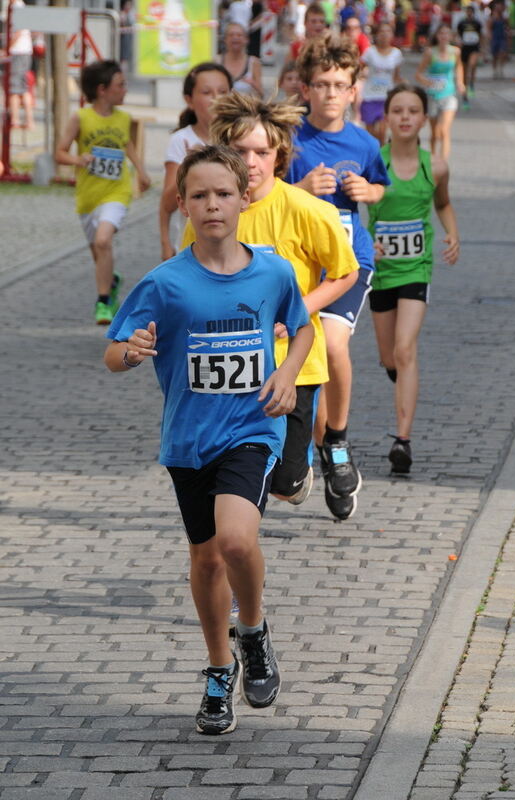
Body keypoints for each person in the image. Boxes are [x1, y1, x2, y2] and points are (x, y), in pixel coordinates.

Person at [104, 144, 314, 735]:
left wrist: (288, 374)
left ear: (244, 198)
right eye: (199, 195)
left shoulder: (271, 271)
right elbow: (114, 353)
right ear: (183, 204)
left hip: (251, 429)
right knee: (204, 557)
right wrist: (131, 351)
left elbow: (300, 327)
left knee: (236, 542)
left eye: (224, 193)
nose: (212, 204)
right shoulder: (165, 283)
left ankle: (253, 630)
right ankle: (219, 672)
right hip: (189, 441)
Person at [181, 92, 359, 508]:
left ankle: (299, 475)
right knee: (234, 467)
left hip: (294, 364)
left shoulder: (307, 210)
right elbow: (191, 274)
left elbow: (345, 272)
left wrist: (298, 310)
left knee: (284, 482)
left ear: (279, 154)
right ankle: (235, 540)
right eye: (241, 150)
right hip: (231, 363)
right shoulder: (212, 210)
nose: (252, 161)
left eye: (262, 151)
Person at [286, 32, 389, 520]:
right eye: (322, 84)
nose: (330, 93)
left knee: (331, 346)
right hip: (303, 267)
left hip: (350, 262)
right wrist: (301, 187)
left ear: (353, 91)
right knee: (308, 364)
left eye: (340, 84)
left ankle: (339, 440)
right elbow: (269, 192)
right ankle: (322, 448)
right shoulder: (291, 140)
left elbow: (381, 185)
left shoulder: (365, 141)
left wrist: (369, 192)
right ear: (306, 89)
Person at [367, 83, 459, 473]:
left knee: (405, 349)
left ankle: (402, 440)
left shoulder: (434, 165)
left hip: (416, 268)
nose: (405, 117)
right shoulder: (373, 162)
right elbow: (351, 211)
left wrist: (452, 233)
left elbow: (443, 202)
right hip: (381, 271)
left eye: (413, 111)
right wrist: (362, 244)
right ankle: (401, 374)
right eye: (398, 110)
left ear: (424, 118)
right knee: (390, 357)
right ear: (387, 117)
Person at [55, 60, 150, 325]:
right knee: (99, 251)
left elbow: (127, 145)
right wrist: (78, 160)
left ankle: (103, 301)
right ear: (102, 90)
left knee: (103, 240)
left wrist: (141, 171)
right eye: (120, 85)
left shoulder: (123, 118)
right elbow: (59, 153)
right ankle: (112, 281)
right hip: (88, 196)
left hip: (117, 192)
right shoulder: (81, 118)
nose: (125, 90)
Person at [159, 62, 232, 261]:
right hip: (192, 250)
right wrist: (189, 167)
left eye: (223, 91)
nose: (216, 98)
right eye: (207, 92)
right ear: (189, 100)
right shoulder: (181, 141)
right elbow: (167, 204)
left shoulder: (242, 140)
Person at [415, 23, 464, 159]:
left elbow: (459, 67)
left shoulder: (455, 51)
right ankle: (433, 157)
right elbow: (418, 74)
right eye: (441, 33)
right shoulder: (430, 52)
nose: (444, 36)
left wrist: (460, 82)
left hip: (449, 94)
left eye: (447, 33)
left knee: (444, 130)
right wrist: (428, 82)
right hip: (432, 95)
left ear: (451, 36)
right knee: (435, 133)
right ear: (437, 36)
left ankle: (443, 163)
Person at [360, 22, 403, 144]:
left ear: (392, 35)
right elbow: (359, 68)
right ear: (376, 35)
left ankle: (381, 160)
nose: (384, 35)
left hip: (386, 97)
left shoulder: (396, 54)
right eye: (381, 32)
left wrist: (403, 84)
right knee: (370, 135)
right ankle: (372, 156)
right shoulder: (370, 52)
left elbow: (396, 76)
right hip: (369, 96)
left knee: (382, 133)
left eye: (388, 32)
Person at [7, 0, 34, 130]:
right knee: (23, 88)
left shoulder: (16, 7)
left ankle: (15, 120)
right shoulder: (21, 6)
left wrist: (7, 48)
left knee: (14, 87)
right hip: (24, 51)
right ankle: (28, 120)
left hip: (18, 51)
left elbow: (17, 32)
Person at [218, 22, 263, 96]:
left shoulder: (254, 62)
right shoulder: (217, 61)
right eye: (231, 35)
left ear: (246, 40)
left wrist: (253, 84)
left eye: (239, 35)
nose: (235, 38)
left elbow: (261, 94)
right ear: (225, 40)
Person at [457, 4, 483, 104]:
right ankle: (465, 91)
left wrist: (482, 48)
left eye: (470, 11)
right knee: (464, 70)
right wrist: (458, 43)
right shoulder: (462, 23)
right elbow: (458, 34)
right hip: (465, 47)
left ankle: (471, 81)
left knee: (472, 64)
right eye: (467, 11)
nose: (469, 13)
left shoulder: (477, 23)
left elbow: (481, 35)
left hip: (474, 47)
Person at [488, 2, 509, 77]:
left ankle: (501, 69)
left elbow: (507, 27)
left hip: (502, 37)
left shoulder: (504, 18)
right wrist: (490, 38)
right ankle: (495, 70)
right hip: (495, 38)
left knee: (502, 53)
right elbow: (489, 28)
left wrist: (507, 36)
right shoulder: (492, 18)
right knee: (494, 55)